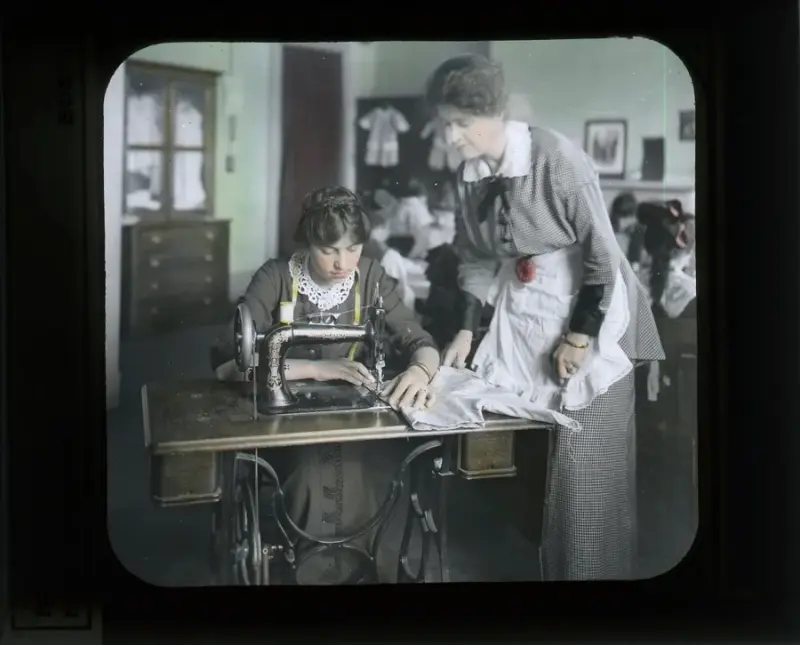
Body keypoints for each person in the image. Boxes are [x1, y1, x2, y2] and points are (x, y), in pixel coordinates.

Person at [425, 54, 665, 580]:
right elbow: (475, 258)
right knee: (535, 470)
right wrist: (466, 327)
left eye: (461, 123)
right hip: (528, 315)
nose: (451, 136)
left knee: (584, 475)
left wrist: (579, 337)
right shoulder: (469, 176)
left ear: (495, 112)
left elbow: (602, 255)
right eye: (445, 124)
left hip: (592, 312)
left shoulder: (556, 158)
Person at [211, 185, 440, 583]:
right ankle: (314, 571)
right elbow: (230, 365)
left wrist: (420, 370)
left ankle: (356, 570)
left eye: (353, 249)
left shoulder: (370, 276)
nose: (342, 263)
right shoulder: (275, 277)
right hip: (280, 414)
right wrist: (318, 369)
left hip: (346, 416)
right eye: (328, 250)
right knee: (308, 471)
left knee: (359, 472)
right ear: (308, 241)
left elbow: (420, 341)